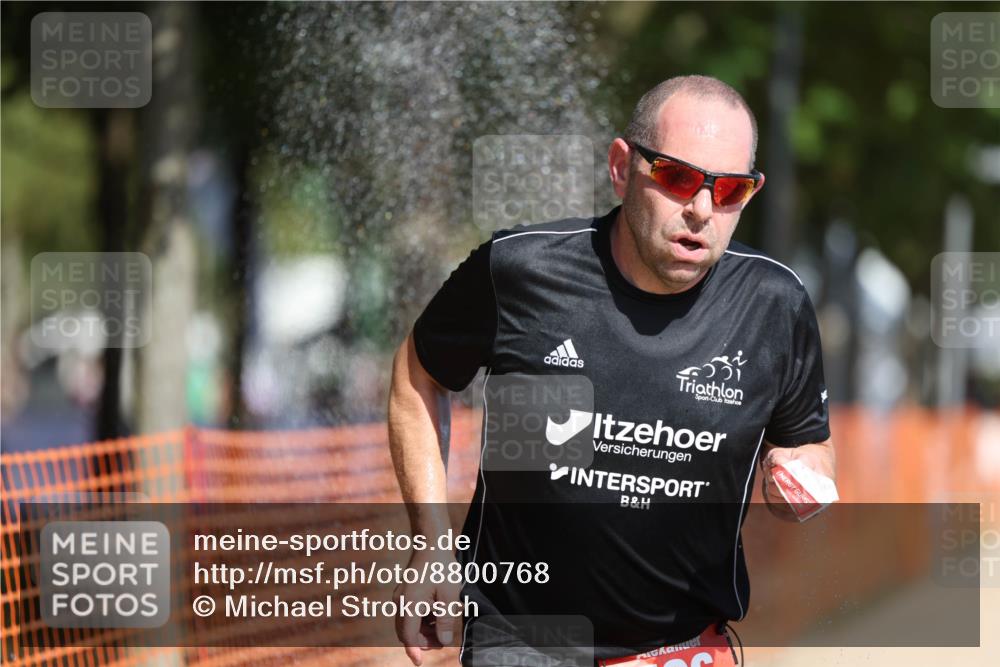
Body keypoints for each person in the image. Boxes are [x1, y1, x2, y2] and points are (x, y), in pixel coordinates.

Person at [388, 74, 836, 666]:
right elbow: (417, 377)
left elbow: (809, 449)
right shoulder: (521, 271)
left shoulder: (774, 304)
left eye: (729, 190)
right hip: (524, 638)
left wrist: (799, 482)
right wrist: (432, 541)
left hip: (679, 645)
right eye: (678, 178)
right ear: (623, 167)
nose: (702, 210)